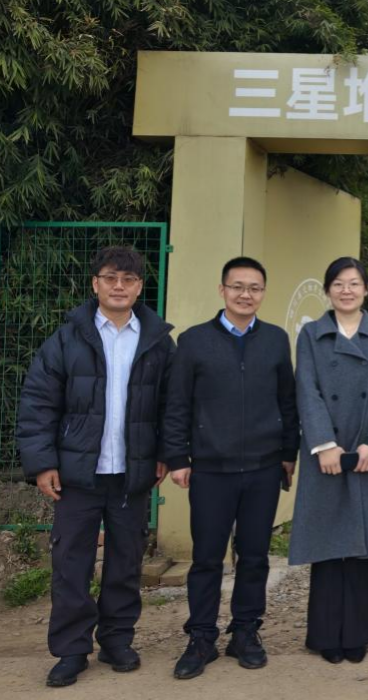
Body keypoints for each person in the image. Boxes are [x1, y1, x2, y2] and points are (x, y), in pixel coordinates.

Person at [16, 246, 175, 687]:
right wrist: (43, 463)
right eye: (110, 278)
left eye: (128, 279)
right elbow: (38, 403)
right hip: (76, 474)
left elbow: (171, 405)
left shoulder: (158, 341)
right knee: (71, 563)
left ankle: (117, 640)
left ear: (140, 287)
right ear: (95, 284)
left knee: (126, 561)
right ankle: (71, 649)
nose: (119, 286)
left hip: (132, 473)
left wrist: (166, 453)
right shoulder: (67, 339)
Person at [162, 256, 300, 680]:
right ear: (222, 290)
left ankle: (245, 632)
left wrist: (288, 452)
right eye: (237, 286)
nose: (246, 294)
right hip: (211, 469)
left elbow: (287, 401)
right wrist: (178, 458)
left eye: (254, 288)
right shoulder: (193, 341)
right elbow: (177, 404)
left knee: (254, 556)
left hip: (263, 467)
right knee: (206, 558)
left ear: (263, 293)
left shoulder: (275, 340)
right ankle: (201, 637)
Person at [288, 257, 368, 664]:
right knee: (327, 542)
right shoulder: (312, 334)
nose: (346, 290)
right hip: (326, 453)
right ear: (328, 290)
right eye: (338, 283)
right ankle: (323, 635)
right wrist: (324, 444)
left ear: (365, 290)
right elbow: (307, 389)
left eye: (354, 283)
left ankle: (356, 634)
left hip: (366, 449)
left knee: (359, 547)